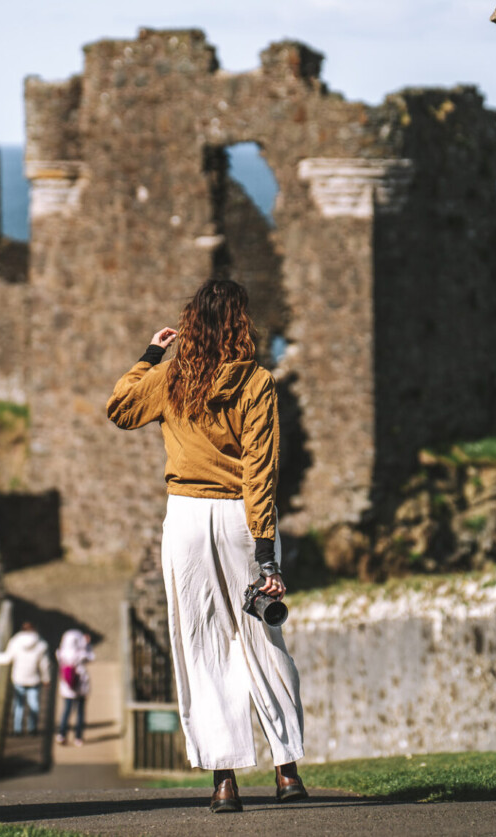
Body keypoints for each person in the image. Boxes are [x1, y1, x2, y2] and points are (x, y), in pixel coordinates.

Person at [106, 278, 306, 814]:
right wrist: (265, 553)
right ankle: (287, 770)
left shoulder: (171, 376)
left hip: (188, 517)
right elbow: (260, 469)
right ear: (241, 325)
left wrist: (152, 352)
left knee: (201, 643)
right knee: (262, 637)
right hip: (242, 515)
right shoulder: (257, 381)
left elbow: (120, 407)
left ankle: (224, 782)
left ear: (190, 324)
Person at [0, 621, 50, 735]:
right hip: (34, 679)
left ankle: (17, 729)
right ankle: (32, 728)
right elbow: (44, 664)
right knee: (34, 705)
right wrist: (46, 678)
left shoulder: (16, 641)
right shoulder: (41, 644)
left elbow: (7, 658)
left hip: (19, 678)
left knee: (18, 706)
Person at [55, 629, 95, 746]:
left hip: (67, 687)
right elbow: (91, 657)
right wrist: (86, 644)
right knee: (80, 712)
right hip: (80, 686)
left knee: (66, 711)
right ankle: (78, 737)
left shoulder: (61, 653)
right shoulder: (81, 653)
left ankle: (61, 734)